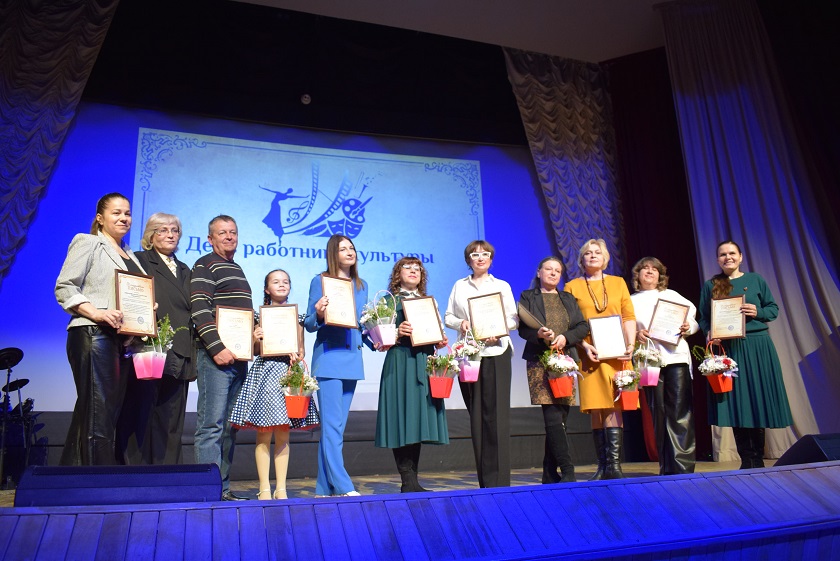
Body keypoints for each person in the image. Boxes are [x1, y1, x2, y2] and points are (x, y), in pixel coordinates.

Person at [55, 192, 146, 465]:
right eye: (116, 212)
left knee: (95, 412)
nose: (124, 218)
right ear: (100, 218)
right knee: (100, 413)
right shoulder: (89, 242)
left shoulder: (130, 254)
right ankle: (100, 481)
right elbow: (65, 287)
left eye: (127, 213)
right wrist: (97, 312)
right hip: (92, 334)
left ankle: (70, 480)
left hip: (119, 341)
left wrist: (145, 310)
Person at [698, 241, 792, 469]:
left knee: (756, 399)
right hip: (730, 350)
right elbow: (703, 317)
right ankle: (747, 460)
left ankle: (756, 460)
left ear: (740, 257)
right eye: (722, 254)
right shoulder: (711, 285)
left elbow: (773, 309)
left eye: (732, 253)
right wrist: (710, 332)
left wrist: (757, 311)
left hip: (758, 347)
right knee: (737, 403)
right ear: (717, 259)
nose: (727, 257)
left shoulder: (756, 279)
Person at [229, 269, 319, 500]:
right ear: (266, 289)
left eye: (286, 281)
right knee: (263, 433)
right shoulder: (258, 317)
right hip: (265, 375)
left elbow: (301, 350)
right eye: (276, 282)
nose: (282, 285)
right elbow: (254, 351)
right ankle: (264, 488)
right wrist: (255, 338)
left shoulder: (297, 317)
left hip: (287, 375)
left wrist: (296, 355)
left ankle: (281, 488)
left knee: (283, 434)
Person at [117, 213, 194, 466]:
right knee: (141, 414)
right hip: (147, 347)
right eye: (162, 230)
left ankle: (167, 475)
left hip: (180, 350)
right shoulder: (139, 261)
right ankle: (136, 476)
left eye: (174, 230)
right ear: (151, 235)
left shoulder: (185, 269)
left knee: (171, 419)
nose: (170, 235)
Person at [444, 240, 518, 488]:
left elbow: (514, 319)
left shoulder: (501, 286)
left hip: (497, 351)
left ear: (491, 259)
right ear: (469, 260)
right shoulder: (459, 286)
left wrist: (500, 329)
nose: (480, 258)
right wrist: (461, 323)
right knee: (477, 417)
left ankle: (500, 481)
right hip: (469, 355)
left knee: (497, 417)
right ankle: (485, 481)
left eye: (485, 254)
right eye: (475, 255)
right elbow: (448, 317)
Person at [304, 234, 372, 497]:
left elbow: (363, 325)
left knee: (336, 429)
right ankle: (344, 486)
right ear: (333, 253)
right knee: (332, 427)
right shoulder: (320, 281)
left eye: (352, 247)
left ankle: (324, 488)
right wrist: (320, 313)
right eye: (343, 249)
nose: (349, 252)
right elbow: (310, 323)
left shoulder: (362, 286)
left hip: (352, 360)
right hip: (329, 359)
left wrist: (378, 339)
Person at [190, 215, 252, 501]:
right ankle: (208, 493)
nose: (229, 237)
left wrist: (256, 332)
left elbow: (239, 315)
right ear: (210, 238)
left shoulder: (236, 268)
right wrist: (216, 348)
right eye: (222, 232)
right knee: (211, 426)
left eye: (233, 232)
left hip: (239, 360)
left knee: (229, 427)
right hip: (214, 358)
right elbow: (199, 309)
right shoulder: (205, 265)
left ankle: (223, 489)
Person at [374, 257, 449, 493]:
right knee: (401, 418)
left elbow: (437, 333)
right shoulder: (388, 300)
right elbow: (379, 342)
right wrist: (396, 332)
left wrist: (440, 340)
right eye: (408, 268)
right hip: (400, 361)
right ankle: (407, 480)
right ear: (398, 273)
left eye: (418, 268)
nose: (414, 271)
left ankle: (413, 480)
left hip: (423, 361)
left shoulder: (429, 302)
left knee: (416, 420)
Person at [564, 239, 635, 480]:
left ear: (605, 258)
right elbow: (570, 324)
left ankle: (614, 466)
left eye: (597, 252)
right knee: (596, 407)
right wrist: (584, 346)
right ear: (581, 259)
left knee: (614, 405)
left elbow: (628, 317)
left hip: (617, 353)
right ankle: (602, 466)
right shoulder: (572, 286)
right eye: (588, 253)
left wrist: (630, 345)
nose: (593, 255)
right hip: (590, 354)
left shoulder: (618, 282)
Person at [518, 256, 589, 483]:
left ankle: (549, 472)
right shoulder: (528, 296)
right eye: (548, 269)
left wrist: (565, 337)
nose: (553, 273)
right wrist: (539, 335)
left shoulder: (567, 298)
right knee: (552, 415)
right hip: (540, 361)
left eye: (557, 271)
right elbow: (522, 329)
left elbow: (582, 326)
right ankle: (568, 470)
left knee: (561, 417)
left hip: (565, 360)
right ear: (539, 272)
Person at [630, 257, 698, 475]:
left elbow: (693, 321)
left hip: (676, 358)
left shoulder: (672, 296)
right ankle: (666, 466)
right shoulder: (630, 301)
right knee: (658, 413)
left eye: (654, 269)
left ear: (660, 275)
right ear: (637, 275)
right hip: (649, 361)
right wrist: (636, 334)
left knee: (679, 412)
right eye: (645, 268)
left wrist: (688, 327)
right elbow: (626, 328)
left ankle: (683, 467)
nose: (650, 271)